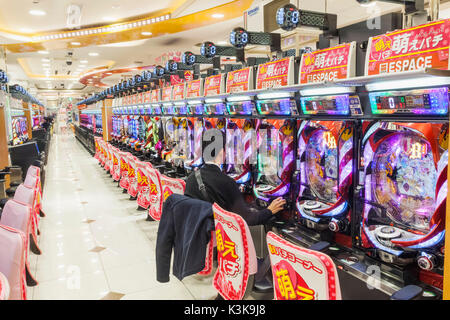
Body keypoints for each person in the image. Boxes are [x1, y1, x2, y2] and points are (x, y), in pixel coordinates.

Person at [184, 129, 286, 226]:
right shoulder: (226, 182)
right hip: (217, 239)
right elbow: (247, 219)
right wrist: (270, 210)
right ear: (221, 152)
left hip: (194, 237)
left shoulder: (191, 179)